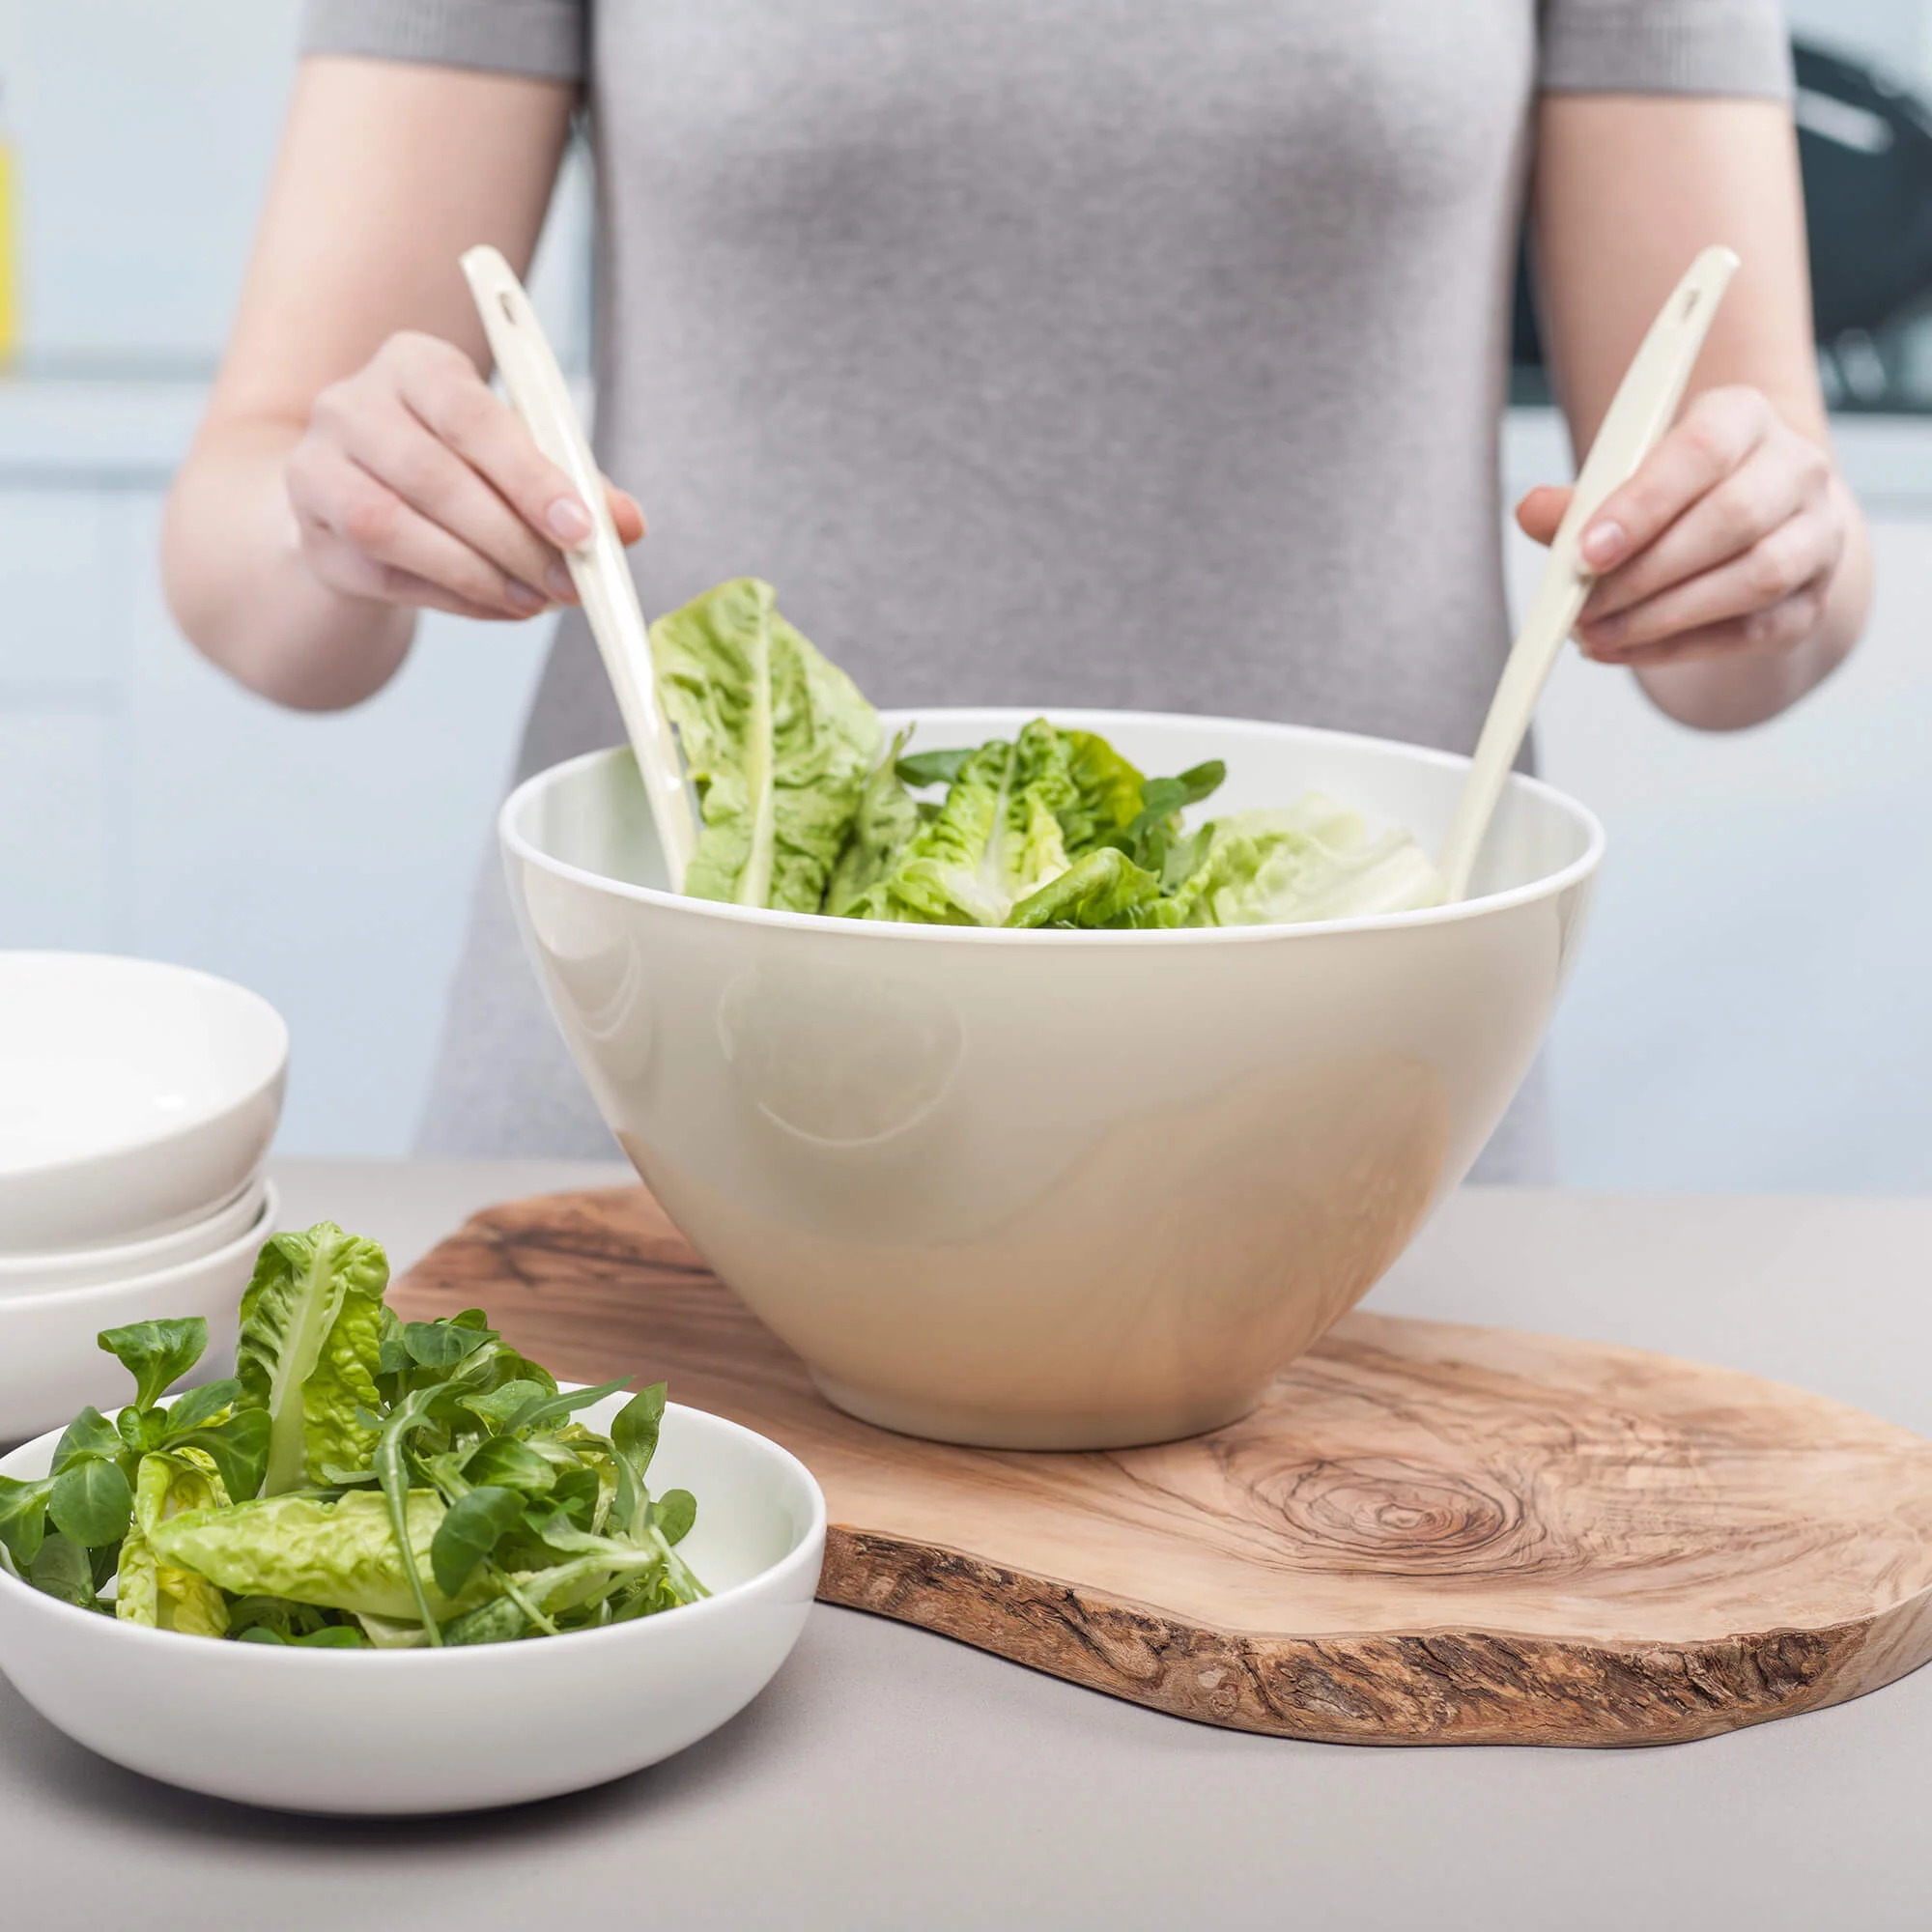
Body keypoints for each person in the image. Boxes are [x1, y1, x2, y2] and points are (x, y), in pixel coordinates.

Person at [162, 2, 1870, 1180]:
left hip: (1342, 1133)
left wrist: (1773, 555)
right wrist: (344, 509)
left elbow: (1736, 627)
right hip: (688, 1128)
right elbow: (249, 553)